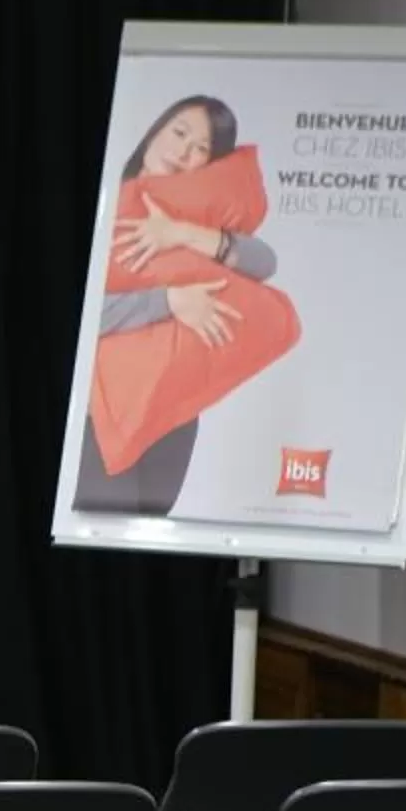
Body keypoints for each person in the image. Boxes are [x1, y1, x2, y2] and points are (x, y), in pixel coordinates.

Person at [74, 96, 280, 515]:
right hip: (101, 411)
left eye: (201, 148)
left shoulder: (196, 217)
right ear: (154, 131)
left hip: (172, 414)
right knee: (104, 528)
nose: (185, 151)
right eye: (179, 132)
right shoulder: (104, 204)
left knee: (150, 533)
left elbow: (264, 263)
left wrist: (181, 233)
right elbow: (86, 313)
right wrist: (168, 301)